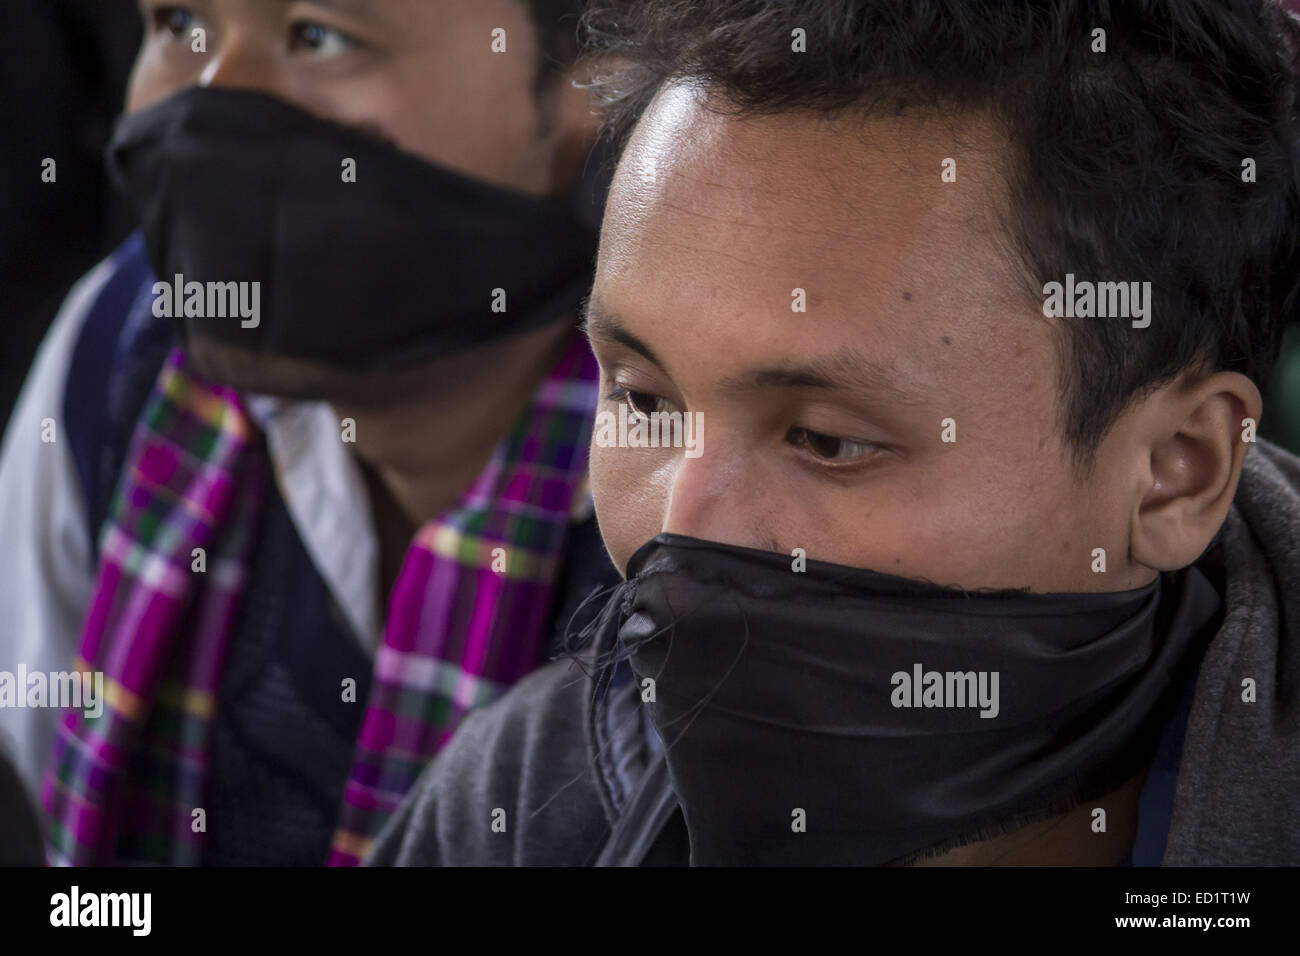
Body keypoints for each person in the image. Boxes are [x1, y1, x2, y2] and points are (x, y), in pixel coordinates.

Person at [369, 0, 1300, 866]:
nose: (679, 527)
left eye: (825, 440)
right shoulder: (529, 796)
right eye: (645, 401)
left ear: (1177, 473)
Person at [0, 0, 619, 866]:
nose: (213, 101)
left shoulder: (705, 494)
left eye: (319, 37)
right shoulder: (118, 350)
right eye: (181, 25)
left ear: (593, 83)